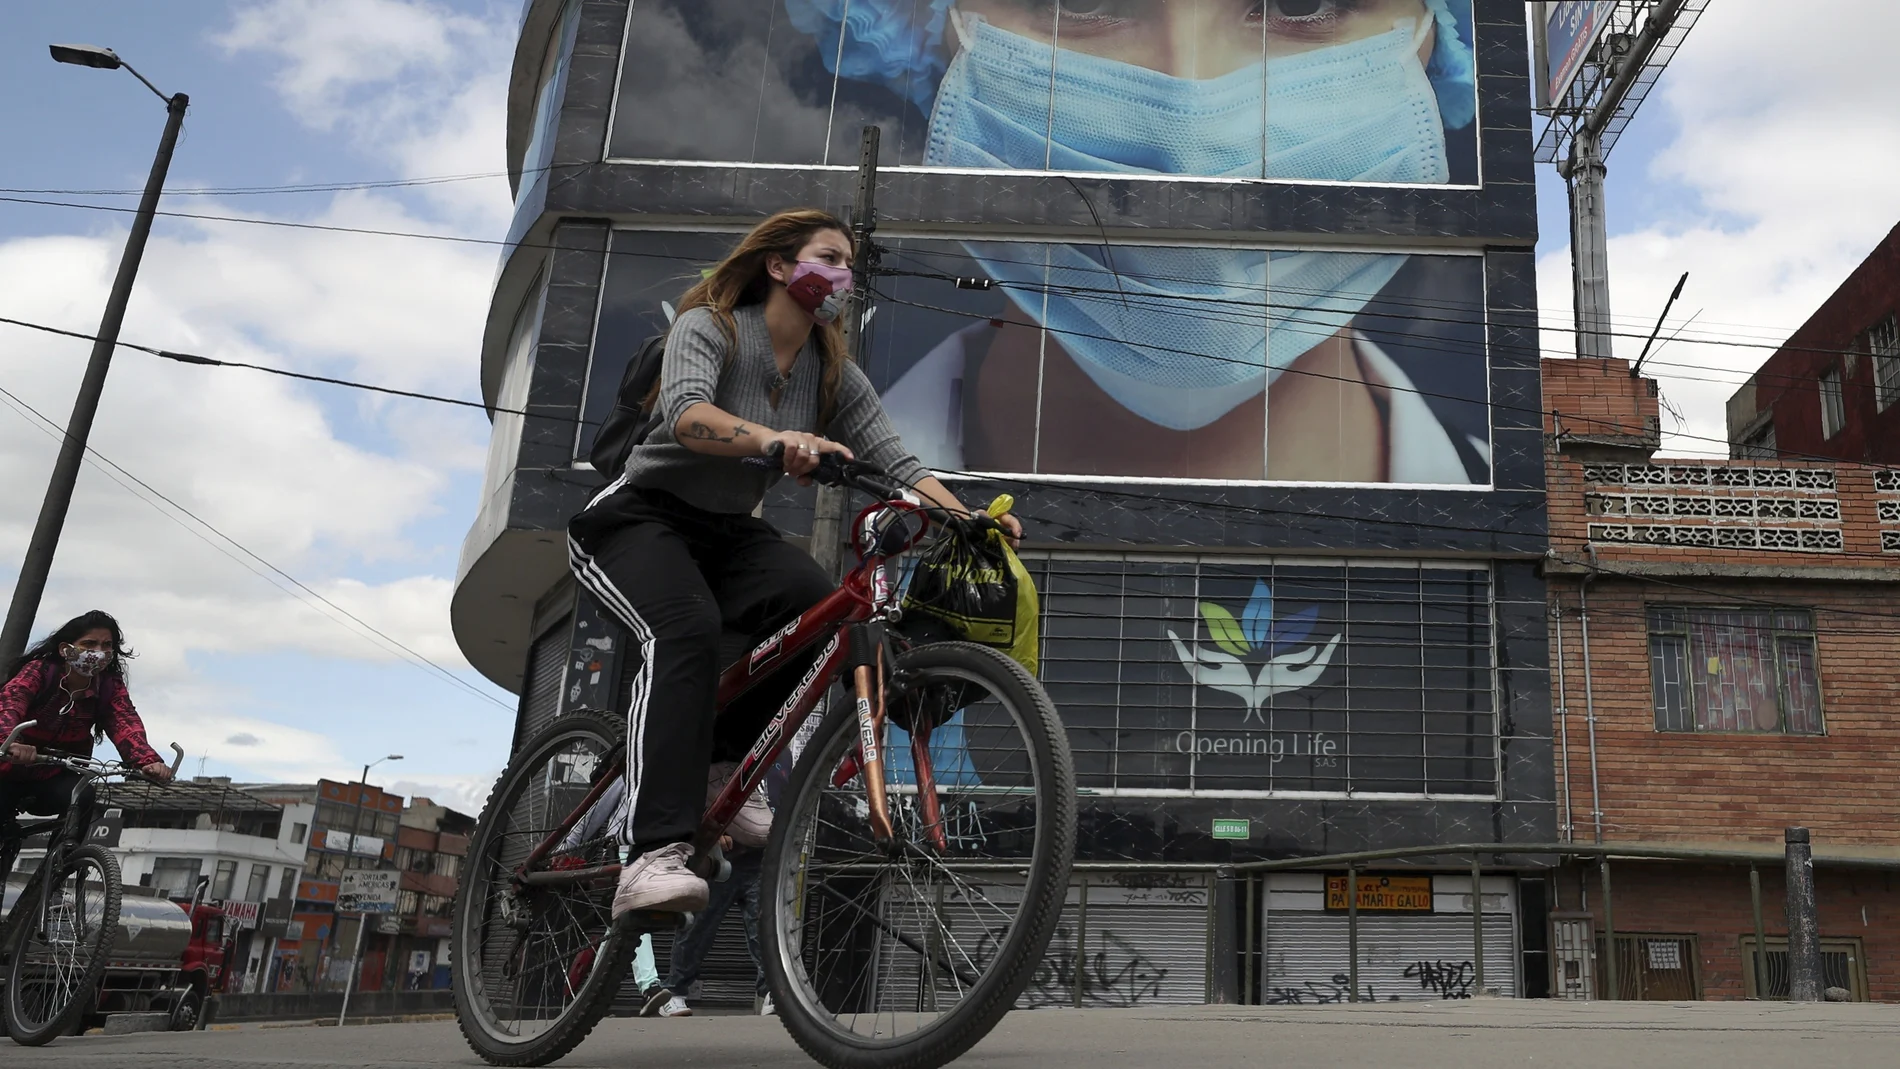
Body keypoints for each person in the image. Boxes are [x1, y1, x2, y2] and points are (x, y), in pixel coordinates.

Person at [568, 208, 1022, 918]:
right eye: (830, 257)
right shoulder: (713, 326)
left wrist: (972, 520)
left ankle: (720, 773)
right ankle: (651, 852)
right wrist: (773, 438)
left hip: (726, 533)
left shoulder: (831, 370)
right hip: (638, 517)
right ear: (780, 266)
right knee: (683, 631)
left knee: (813, 612)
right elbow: (686, 415)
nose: (844, 275)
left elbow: (898, 461)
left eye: (848, 264)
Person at [0, 610, 172, 885]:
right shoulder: (40, 671)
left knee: (82, 796)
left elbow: (124, 721)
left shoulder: (109, 686)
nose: (99, 652)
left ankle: (54, 879)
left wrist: (146, 761)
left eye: (107, 646)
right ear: (66, 649)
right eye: (90, 644)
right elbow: (10, 704)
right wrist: (11, 742)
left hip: (53, 774)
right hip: (7, 768)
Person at [653, 835, 769, 1018]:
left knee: (765, 928)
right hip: (721, 859)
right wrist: (717, 832)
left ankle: (770, 991)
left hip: (762, 859)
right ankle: (675, 991)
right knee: (698, 928)